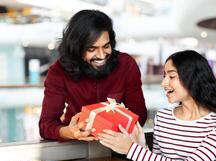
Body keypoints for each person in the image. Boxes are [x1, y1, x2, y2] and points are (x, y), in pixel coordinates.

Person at [98, 50, 216, 161]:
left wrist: (131, 149)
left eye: (171, 76)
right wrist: (141, 147)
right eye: (164, 76)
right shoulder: (163, 117)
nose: (164, 83)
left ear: (193, 78)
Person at [39, 10, 147, 141]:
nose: (101, 55)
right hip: (76, 144)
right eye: (92, 49)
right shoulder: (58, 72)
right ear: (77, 48)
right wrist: (70, 132)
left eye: (106, 46)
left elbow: (139, 114)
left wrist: (109, 131)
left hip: (119, 142)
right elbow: (46, 125)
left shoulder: (126, 64)